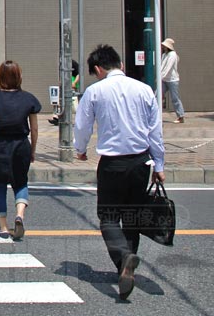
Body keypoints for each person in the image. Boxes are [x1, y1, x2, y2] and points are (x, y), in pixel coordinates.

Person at [74, 44, 165, 301]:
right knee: (132, 215)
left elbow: (82, 126)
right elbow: (154, 131)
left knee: (108, 216)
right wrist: (159, 165)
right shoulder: (144, 90)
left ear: (98, 69)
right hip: (140, 162)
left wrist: (80, 150)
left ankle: (123, 259)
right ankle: (127, 269)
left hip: (112, 163)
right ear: (121, 65)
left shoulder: (94, 91)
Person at [0, 60, 40, 241]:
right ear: (19, 77)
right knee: (20, 183)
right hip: (21, 145)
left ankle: (4, 227)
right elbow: (34, 129)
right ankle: (19, 214)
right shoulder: (29, 98)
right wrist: (33, 150)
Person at [159, 38, 185, 123]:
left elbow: (168, 68)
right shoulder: (164, 55)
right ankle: (155, 115)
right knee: (157, 95)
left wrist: (161, 77)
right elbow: (162, 66)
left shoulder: (172, 55)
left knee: (175, 98)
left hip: (172, 80)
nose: (162, 47)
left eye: (164, 45)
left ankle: (180, 116)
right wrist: (159, 76)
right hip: (164, 79)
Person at [48, 60, 80, 125]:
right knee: (59, 103)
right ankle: (57, 117)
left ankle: (59, 117)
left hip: (71, 88)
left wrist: (74, 83)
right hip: (64, 88)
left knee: (72, 104)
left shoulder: (74, 71)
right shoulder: (64, 71)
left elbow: (78, 76)